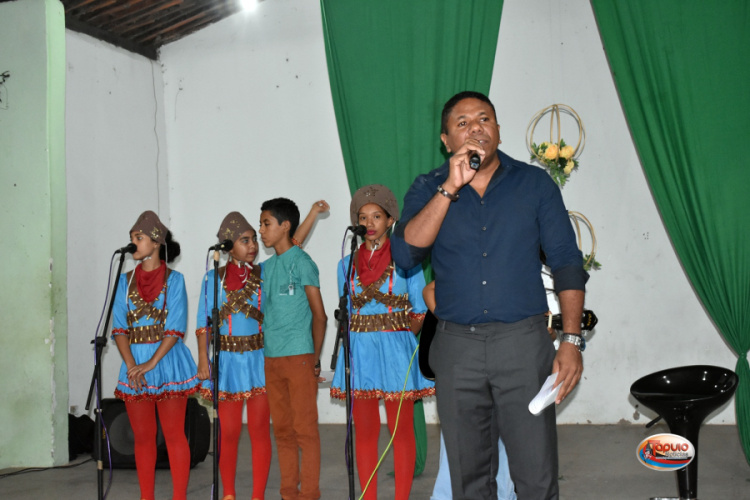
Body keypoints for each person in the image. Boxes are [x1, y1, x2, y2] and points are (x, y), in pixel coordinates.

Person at [391, 91, 588, 499]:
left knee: (536, 477)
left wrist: (570, 340)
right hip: (457, 348)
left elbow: (567, 261)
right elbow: (407, 252)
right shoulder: (429, 186)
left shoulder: (534, 184)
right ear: (446, 141)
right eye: (462, 123)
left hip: (522, 345)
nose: (475, 127)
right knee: (469, 480)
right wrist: (449, 188)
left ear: (497, 130)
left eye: (484, 119)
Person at [195, 203, 329, 500]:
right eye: (246, 240)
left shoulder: (262, 273)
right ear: (228, 246)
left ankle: (267, 495)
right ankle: (230, 493)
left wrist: (309, 215)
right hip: (233, 364)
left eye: (256, 236)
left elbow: (291, 243)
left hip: (263, 360)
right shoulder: (213, 279)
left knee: (269, 430)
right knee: (233, 432)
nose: (255, 244)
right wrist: (204, 360)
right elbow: (203, 321)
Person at [330, 184, 434, 500]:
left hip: (395, 353)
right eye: (363, 217)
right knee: (365, 431)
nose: (370, 222)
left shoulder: (407, 260)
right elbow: (345, 311)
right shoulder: (344, 265)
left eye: (377, 216)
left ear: (390, 220)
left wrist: (397, 339)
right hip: (359, 354)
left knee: (400, 431)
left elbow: (420, 309)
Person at [111, 210, 200, 500]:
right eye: (132, 238)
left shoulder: (175, 280)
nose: (133, 243)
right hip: (134, 365)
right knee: (143, 436)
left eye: (139, 238)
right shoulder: (123, 282)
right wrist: (132, 364)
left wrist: (150, 363)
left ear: (157, 241)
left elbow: (175, 328)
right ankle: (146, 496)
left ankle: (179, 496)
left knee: (174, 434)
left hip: (167, 361)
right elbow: (120, 328)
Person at [259, 198, 328, 500]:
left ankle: (309, 493)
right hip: (271, 359)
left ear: (284, 226)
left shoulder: (302, 263)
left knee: (305, 431)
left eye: (266, 224)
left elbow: (320, 316)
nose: (261, 231)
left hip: (299, 357)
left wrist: (313, 359)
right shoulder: (266, 268)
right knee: (283, 431)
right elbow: (290, 244)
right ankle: (288, 492)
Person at [422, 282, 517, 500]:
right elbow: (429, 290)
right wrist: (454, 327)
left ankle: (502, 494)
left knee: (504, 433)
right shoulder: (467, 259)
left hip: (505, 356)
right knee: (457, 435)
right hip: (463, 357)